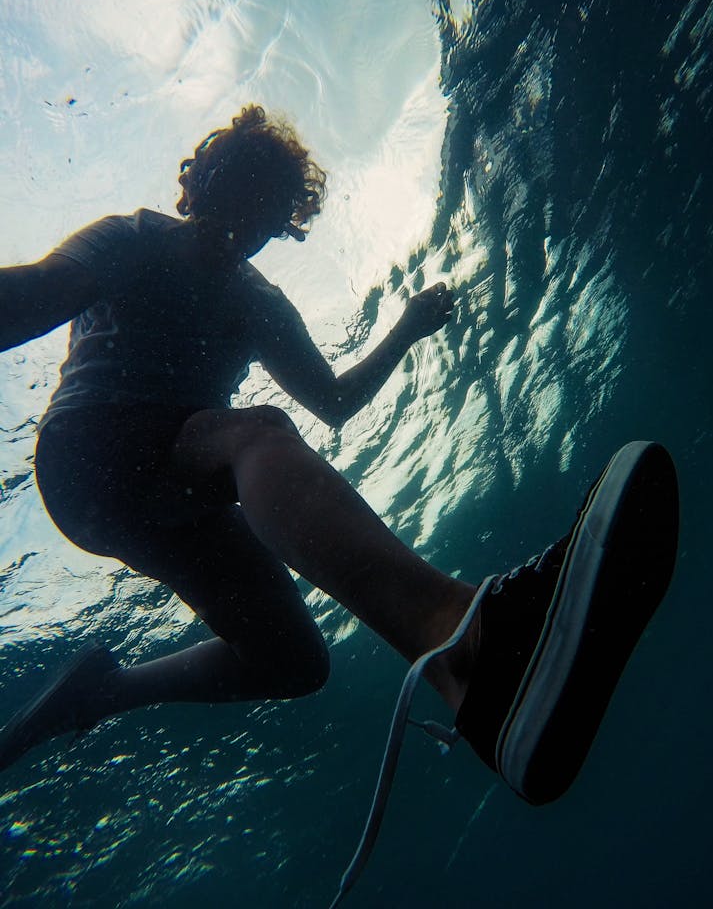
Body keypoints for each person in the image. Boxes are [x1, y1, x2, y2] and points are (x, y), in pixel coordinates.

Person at [0, 104, 678, 817]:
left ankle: (103, 693)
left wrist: (406, 330)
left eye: (272, 206)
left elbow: (334, 401)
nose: (252, 218)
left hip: (170, 490)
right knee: (256, 431)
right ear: (203, 182)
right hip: (86, 450)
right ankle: (458, 638)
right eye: (244, 188)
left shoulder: (258, 302)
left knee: (293, 661)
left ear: (283, 220)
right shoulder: (133, 237)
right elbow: (35, 293)